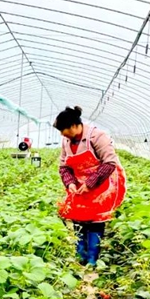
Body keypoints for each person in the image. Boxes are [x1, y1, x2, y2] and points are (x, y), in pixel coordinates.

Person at [54, 106, 127, 266]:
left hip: (100, 186)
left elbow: (109, 163)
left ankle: (92, 260)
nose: (62, 134)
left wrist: (90, 183)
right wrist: (70, 183)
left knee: (95, 222)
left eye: (63, 130)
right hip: (79, 186)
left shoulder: (97, 136)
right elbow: (63, 167)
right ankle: (81, 257)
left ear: (73, 126)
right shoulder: (66, 141)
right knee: (78, 220)